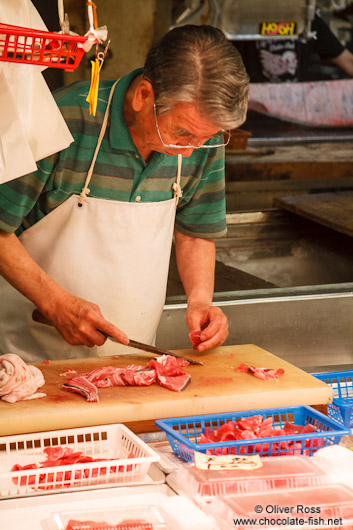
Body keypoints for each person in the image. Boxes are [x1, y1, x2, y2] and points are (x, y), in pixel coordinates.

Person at [0, 24, 249, 362]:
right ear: (143, 96)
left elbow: (195, 234)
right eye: (182, 133)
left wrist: (201, 301)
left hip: (131, 360)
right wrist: (54, 302)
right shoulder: (62, 119)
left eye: (205, 138)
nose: (192, 151)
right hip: (27, 356)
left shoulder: (201, 139)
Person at [235, 11, 353, 83]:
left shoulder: (310, 22)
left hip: (294, 107)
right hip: (252, 109)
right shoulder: (238, 23)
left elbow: (347, 61)